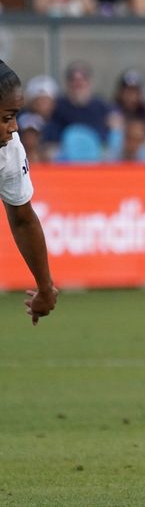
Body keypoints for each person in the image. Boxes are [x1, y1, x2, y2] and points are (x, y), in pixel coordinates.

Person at [0, 60, 58, 324]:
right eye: (6, 118)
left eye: (15, 116)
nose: (14, 128)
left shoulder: (9, 150)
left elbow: (23, 219)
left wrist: (45, 289)